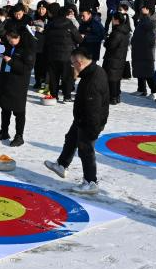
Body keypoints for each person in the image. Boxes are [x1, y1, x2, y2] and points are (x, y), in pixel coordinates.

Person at [44, 48, 110, 195]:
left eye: (73, 63)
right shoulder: (93, 71)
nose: (72, 66)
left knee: (86, 151)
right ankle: (62, 164)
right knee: (71, 138)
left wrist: (93, 130)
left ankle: (90, 182)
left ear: (80, 62)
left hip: (89, 122)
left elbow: (93, 109)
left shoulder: (92, 81)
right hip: (82, 118)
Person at [0, 28, 34, 146]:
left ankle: (19, 136)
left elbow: (26, 68)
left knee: (19, 111)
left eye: (12, 40)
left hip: (18, 83)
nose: (10, 42)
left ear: (19, 37)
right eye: (9, 40)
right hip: (6, 80)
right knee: (5, 108)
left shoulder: (27, 49)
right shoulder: (9, 46)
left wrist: (11, 62)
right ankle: (4, 131)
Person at [44, 5, 82, 103]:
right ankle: (67, 96)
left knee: (53, 76)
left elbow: (45, 37)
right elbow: (79, 39)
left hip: (52, 55)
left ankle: (54, 95)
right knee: (67, 76)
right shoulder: (70, 25)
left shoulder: (51, 24)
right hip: (66, 55)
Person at [130, 3, 156, 97]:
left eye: (143, 9)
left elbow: (151, 30)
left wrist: (146, 16)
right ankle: (141, 89)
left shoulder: (150, 20)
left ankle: (155, 91)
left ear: (148, 10)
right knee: (139, 69)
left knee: (148, 71)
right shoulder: (142, 20)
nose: (141, 10)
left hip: (146, 51)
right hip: (138, 50)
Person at [101, 13, 130, 105]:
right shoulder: (125, 31)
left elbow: (111, 45)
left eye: (113, 19)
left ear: (116, 20)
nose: (112, 21)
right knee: (116, 78)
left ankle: (112, 97)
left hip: (113, 58)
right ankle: (116, 96)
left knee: (111, 78)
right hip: (120, 57)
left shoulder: (117, 32)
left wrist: (106, 41)